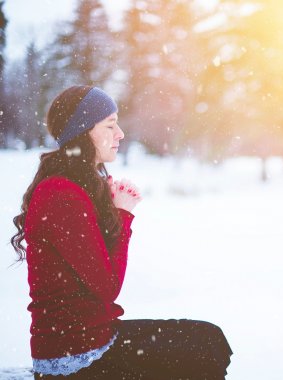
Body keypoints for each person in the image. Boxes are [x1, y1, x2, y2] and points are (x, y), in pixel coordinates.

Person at [10, 85, 233, 379]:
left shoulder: (75, 187)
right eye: (110, 125)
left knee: (210, 340)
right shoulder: (61, 193)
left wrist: (113, 212)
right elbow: (106, 286)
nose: (120, 134)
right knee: (204, 349)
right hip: (76, 358)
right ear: (83, 131)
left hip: (94, 340)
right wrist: (124, 215)